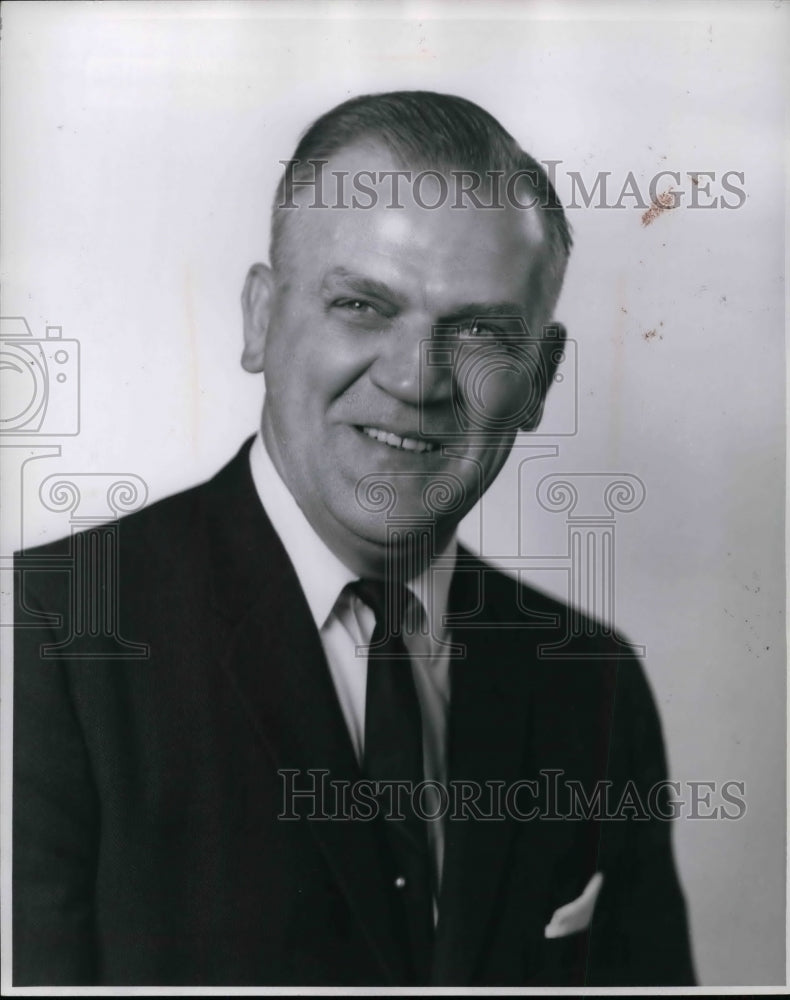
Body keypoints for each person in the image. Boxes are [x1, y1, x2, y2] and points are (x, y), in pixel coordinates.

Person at [13, 90, 695, 987]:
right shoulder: (45, 640)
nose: (417, 380)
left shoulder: (593, 683)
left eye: (482, 332)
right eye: (364, 306)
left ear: (539, 379)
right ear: (259, 318)